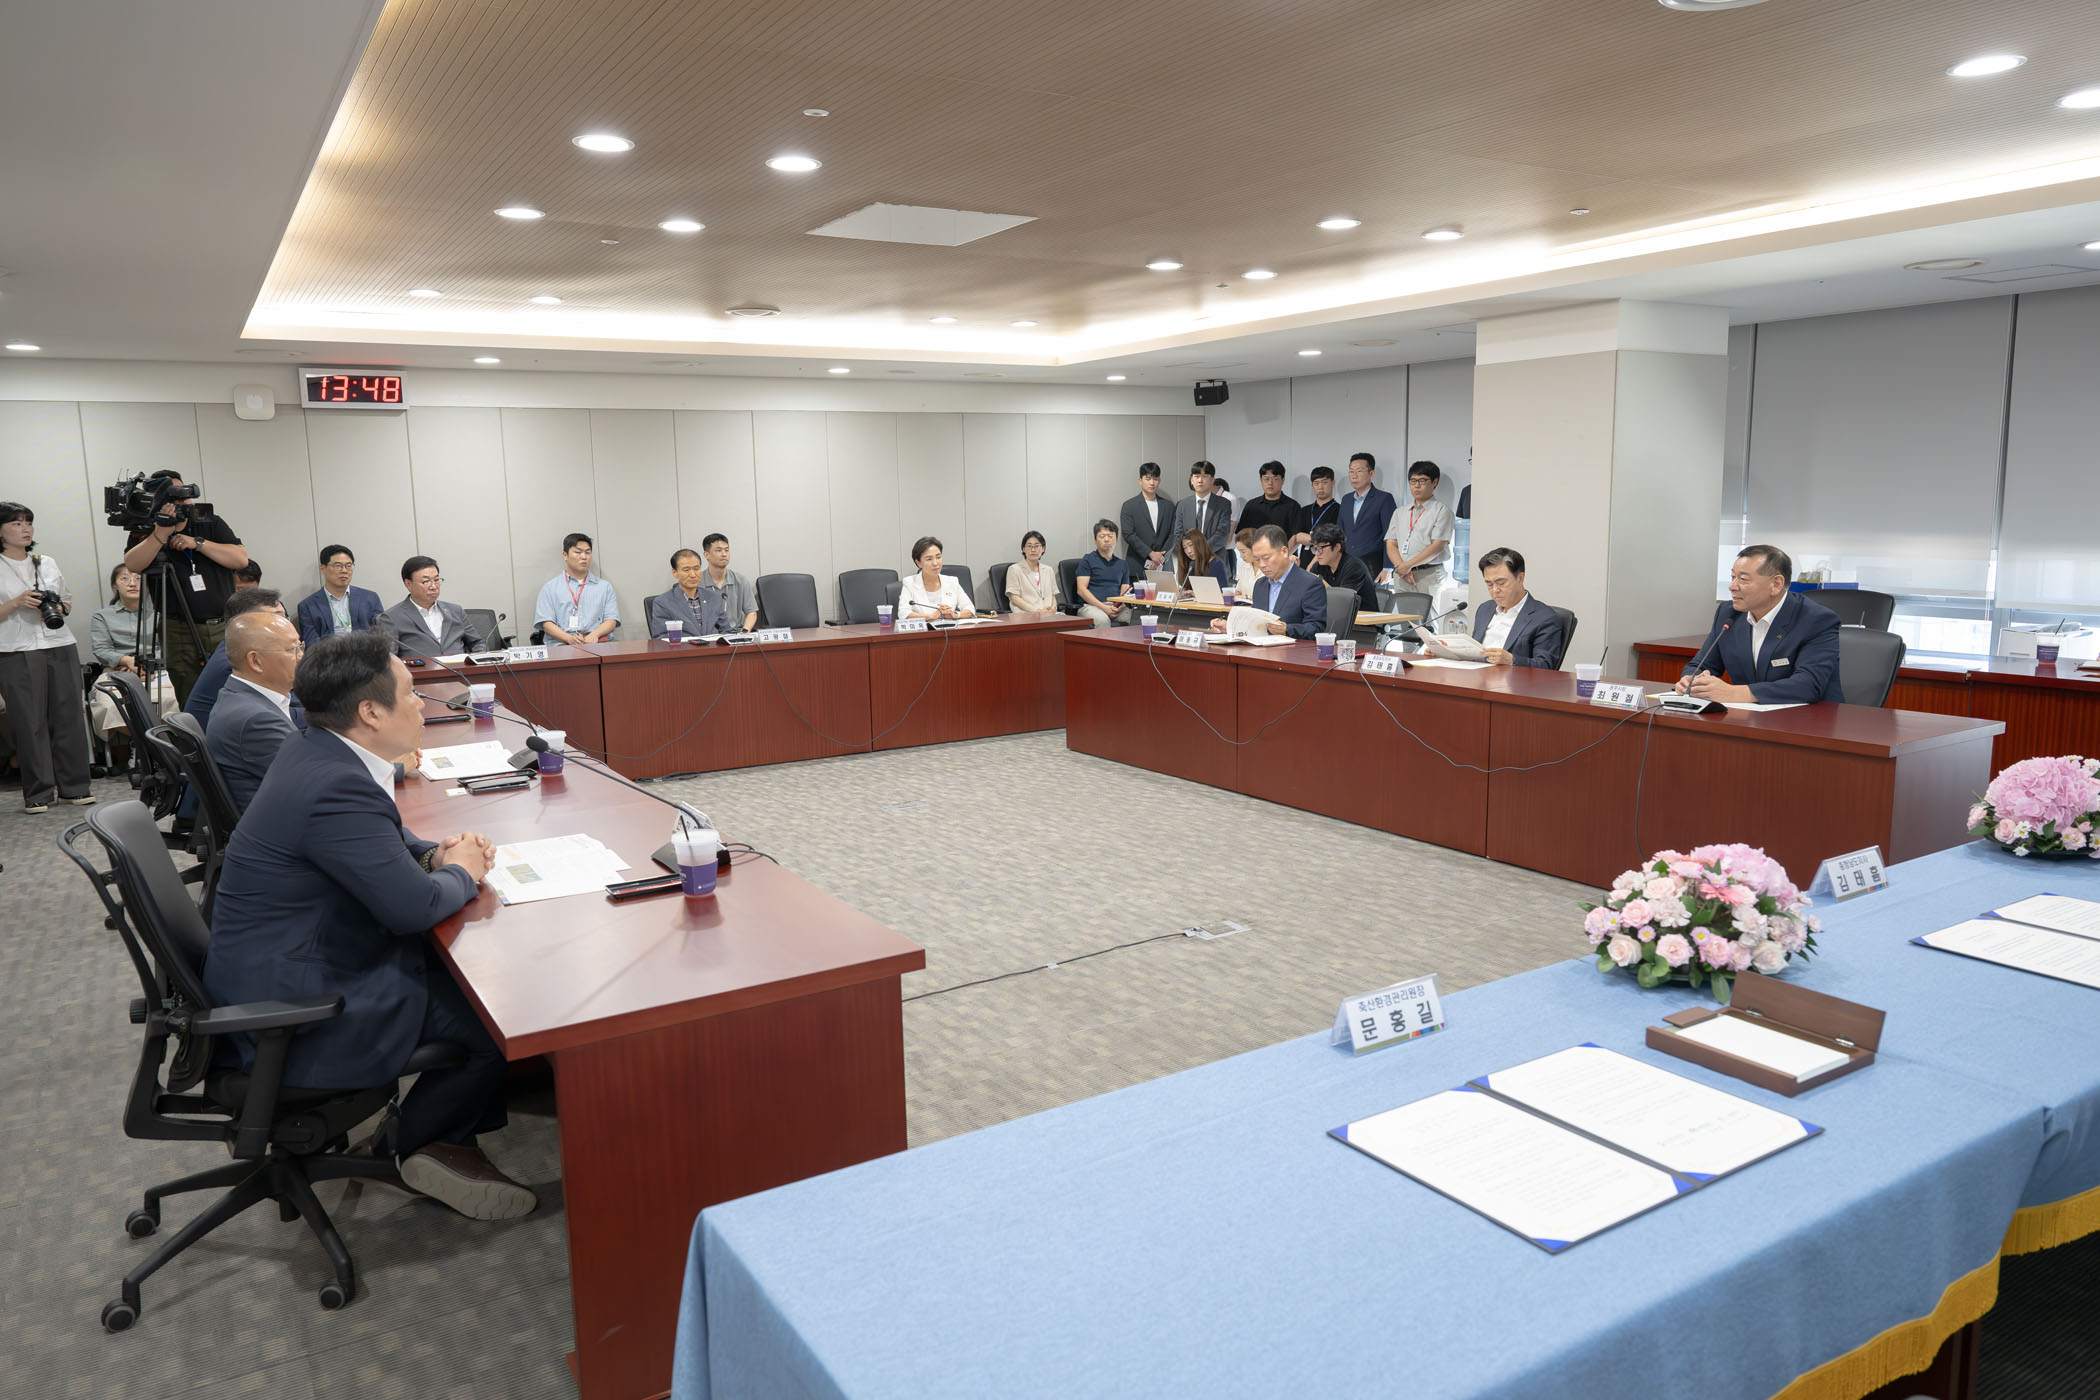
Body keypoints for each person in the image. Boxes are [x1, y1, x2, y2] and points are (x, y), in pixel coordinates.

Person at [203, 632, 534, 1219]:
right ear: (371, 712)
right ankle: (415, 1146)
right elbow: (411, 909)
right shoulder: (334, 784)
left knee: (470, 978)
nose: (422, 704)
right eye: (410, 693)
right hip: (301, 1001)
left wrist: (435, 854)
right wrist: (462, 871)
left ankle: (445, 1137)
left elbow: (383, 837)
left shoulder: (317, 749)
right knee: (491, 1020)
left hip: (282, 959)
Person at [120, 470, 249, 706]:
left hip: (222, 623)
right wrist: (160, 534)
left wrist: (198, 543)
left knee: (235, 688)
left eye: (185, 495)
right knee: (190, 694)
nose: (184, 502)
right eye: (175, 497)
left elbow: (240, 559)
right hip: (177, 628)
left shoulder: (208, 521)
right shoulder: (146, 526)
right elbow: (134, 564)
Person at [0, 502, 95, 813]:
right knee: (30, 722)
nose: (25, 528)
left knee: (69, 716)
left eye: (28, 522)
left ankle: (75, 787)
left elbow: (66, 602)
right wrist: (16, 603)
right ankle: (38, 792)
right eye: (16, 523)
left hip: (59, 643)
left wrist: (55, 608)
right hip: (16, 649)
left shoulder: (46, 562)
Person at [1677, 545, 1845, 704]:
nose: (1732, 587)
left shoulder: (1817, 620)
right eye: (1733, 577)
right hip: (1748, 716)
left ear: (1776, 584)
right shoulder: (1728, 614)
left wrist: (1735, 693)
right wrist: (1691, 680)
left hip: (1810, 718)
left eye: (1743, 579)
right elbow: (1702, 665)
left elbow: (1808, 685)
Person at [204, 610, 304, 813]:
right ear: (255, 661)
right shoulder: (257, 720)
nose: (301, 657)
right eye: (292, 650)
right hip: (283, 824)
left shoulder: (239, 696)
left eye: (300, 646)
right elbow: (314, 782)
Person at [89, 564, 175, 770]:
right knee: (110, 705)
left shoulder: (159, 614)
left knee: (172, 699)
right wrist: (127, 661)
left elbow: (168, 646)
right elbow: (102, 649)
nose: (132, 583)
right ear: (115, 585)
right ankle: (146, 745)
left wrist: (147, 665)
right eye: (125, 579)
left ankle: (151, 747)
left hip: (158, 669)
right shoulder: (102, 616)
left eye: (138, 579)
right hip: (118, 670)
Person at [183, 589, 302, 735]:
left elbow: (286, 700)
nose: (284, 625)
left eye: (285, 617)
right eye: (275, 618)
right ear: (245, 623)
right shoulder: (237, 662)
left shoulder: (237, 647)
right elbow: (276, 713)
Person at [1208, 526, 1325, 640]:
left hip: (1292, 650)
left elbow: (1316, 628)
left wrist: (1287, 629)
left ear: (1284, 552)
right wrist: (1230, 627)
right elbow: (1256, 625)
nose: (1262, 565)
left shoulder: (1309, 584)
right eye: (1257, 559)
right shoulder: (1260, 585)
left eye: (1266, 558)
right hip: (1260, 648)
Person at [1471, 547, 1567, 670]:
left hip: (1510, 680)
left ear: (1520, 578)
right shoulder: (1484, 609)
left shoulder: (1545, 618)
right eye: (1489, 584)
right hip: (1476, 677)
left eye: (1501, 583)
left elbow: (1545, 666)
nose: (1495, 590)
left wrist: (1512, 660)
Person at [377, 556, 485, 659]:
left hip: (460, 670)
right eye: (426, 581)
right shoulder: (391, 618)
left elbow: (477, 643)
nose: (433, 586)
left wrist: (477, 660)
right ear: (408, 584)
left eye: (436, 580)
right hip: (419, 671)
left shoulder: (455, 611)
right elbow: (388, 659)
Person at [535, 533, 620, 645]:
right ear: (565, 555)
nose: (584, 557)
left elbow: (611, 621)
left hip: (598, 641)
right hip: (562, 643)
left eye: (588, 552)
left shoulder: (604, 587)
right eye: (578, 552)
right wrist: (568, 638)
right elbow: (546, 624)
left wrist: (594, 635)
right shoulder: (550, 588)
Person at [1384, 461, 1454, 595]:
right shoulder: (1400, 512)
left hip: (1428, 574)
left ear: (1434, 482)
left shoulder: (1442, 511)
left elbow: (1438, 546)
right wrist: (1402, 568)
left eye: (1422, 481)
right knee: (1402, 609)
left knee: (1428, 609)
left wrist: (1408, 566)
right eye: (1413, 481)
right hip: (1402, 574)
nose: (1416, 485)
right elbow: (1391, 543)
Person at [296, 544, 384, 644]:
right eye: (338, 566)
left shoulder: (370, 598)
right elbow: (311, 643)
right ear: (322, 569)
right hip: (329, 653)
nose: (344, 571)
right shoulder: (307, 606)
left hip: (365, 651)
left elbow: (381, 634)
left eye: (348, 566)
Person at [1340, 452, 1396, 577]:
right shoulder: (1346, 499)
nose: (1354, 476)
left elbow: (1391, 535)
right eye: (1351, 471)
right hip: (1347, 563)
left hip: (1374, 564)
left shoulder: (1384, 499)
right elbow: (1340, 533)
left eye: (1359, 471)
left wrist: (1388, 567)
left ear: (1371, 474)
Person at [649, 548, 727, 637]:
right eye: (686, 570)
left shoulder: (714, 598)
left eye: (696, 569)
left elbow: (726, 632)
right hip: (682, 646)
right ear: (674, 573)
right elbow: (661, 638)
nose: (693, 575)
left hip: (714, 646)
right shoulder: (663, 603)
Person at [1306, 523, 1379, 616]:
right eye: (1315, 549)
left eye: (1320, 549)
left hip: (1363, 621)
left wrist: (1319, 582)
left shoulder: (1354, 567)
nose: (1317, 554)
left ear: (1337, 547)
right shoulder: (1318, 566)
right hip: (1335, 618)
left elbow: (1342, 602)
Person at [1119, 463, 1177, 576]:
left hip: (1163, 565)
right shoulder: (1129, 506)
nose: (1152, 483)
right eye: (1148, 478)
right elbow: (1128, 534)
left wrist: (1160, 557)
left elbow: (1173, 534)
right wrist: (1150, 553)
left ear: (1159, 481)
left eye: (1155, 479)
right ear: (1140, 481)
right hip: (1137, 565)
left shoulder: (1168, 506)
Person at [898, 537, 976, 619]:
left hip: (949, 626)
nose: (935, 563)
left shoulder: (952, 581)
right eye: (929, 559)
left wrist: (955, 615)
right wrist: (931, 616)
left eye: (938, 557)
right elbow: (903, 613)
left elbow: (970, 609)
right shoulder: (910, 583)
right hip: (924, 627)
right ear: (918, 563)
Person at [1074, 520, 1131, 628]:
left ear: (1116, 539)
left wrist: (1120, 607)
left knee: (1137, 617)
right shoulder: (1087, 560)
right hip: (1091, 607)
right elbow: (1081, 590)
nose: (1107, 539)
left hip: (1116, 606)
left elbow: (1125, 592)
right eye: (1102, 536)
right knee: (1102, 620)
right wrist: (1104, 608)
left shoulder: (1122, 564)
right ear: (1095, 541)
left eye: (1110, 536)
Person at [1172, 461, 1232, 561]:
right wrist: (1190, 552)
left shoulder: (1223, 504)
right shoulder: (1182, 505)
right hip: (1189, 561)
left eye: (1204, 476)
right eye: (1196, 476)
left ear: (1212, 480)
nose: (1200, 480)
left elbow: (1222, 534)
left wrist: (1200, 552)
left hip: (1215, 560)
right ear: (1191, 480)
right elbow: (1178, 535)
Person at [701, 533, 758, 631]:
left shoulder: (740, 580)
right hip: (707, 634)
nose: (724, 554)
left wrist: (745, 632)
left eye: (726, 550)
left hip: (735, 633)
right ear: (706, 555)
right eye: (719, 550)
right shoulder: (698, 582)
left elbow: (751, 613)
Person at [1289, 466, 1343, 564]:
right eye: (1316, 483)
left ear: (1332, 483)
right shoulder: (1304, 510)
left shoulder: (1339, 510)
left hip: (1327, 563)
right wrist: (1283, 558)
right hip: (1303, 562)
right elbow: (1296, 537)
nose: (1320, 487)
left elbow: (1332, 541)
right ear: (1312, 485)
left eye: (1324, 482)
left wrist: (1310, 539)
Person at [1235, 461, 1300, 540]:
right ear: (1261, 480)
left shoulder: (1293, 506)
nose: (1270, 483)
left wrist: (1285, 549)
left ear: (1283, 480)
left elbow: (1296, 537)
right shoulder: (1251, 506)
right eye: (1266, 479)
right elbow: (1242, 535)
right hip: (1256, 548)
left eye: (1275, 479)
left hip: (1283, 548)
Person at [1005, 531, 1060, 617]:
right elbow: (1014, 598)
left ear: (1043, 549)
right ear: (1023, 549)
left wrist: (1053, 608)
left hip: (1049, 615)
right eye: (1029, 546)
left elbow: (1053, 596)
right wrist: (1037, 611)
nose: (1033, 550)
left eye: (1037, 546)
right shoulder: (1014, 569)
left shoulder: (1048, 570)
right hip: (1026, 615)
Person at [1174, 529, 1232, 594]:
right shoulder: (1190, 564)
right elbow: (1189, 589)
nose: (1189, 551)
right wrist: (1184, 591)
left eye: (1191, 545)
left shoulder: (1216, 564)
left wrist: (1195, 593)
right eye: (1185, 548)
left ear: (1200, 544)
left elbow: (1223, 593)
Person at [1229, 529, 1260, 595]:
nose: (1241, 556)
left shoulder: (1270, 568)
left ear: (1255, 548)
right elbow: (1238, 591)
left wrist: (1246, 597)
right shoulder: (1243, 565)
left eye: (1243, 552)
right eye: (1239, 552)